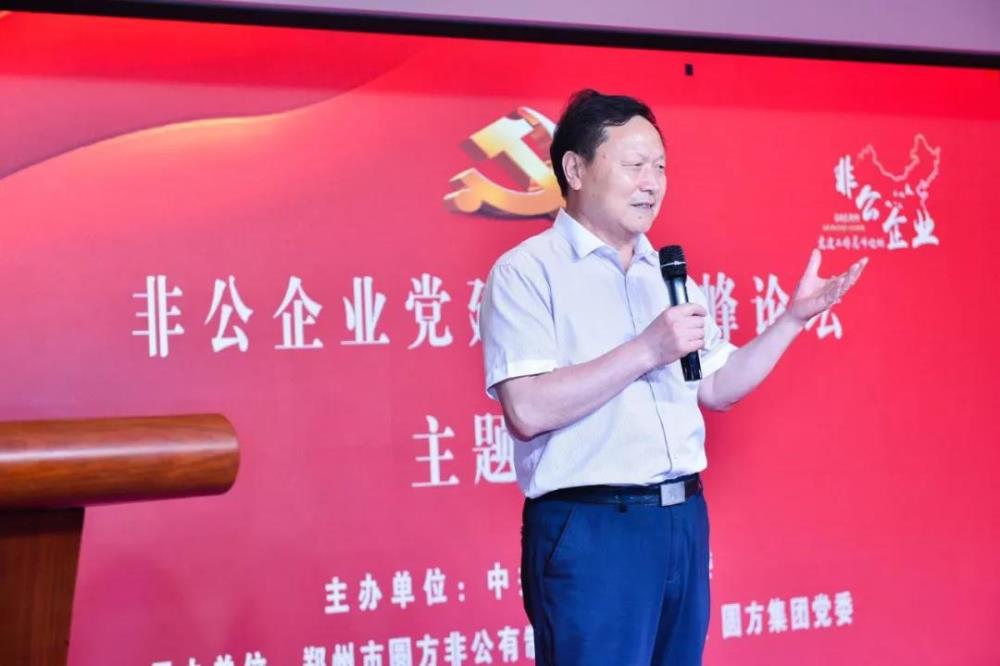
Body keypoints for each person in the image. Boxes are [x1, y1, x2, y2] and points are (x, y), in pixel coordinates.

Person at [479, 89, 867, 665]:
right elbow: (528, 410)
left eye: (660, 167)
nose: (652, 184)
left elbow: (717, 386)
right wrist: (646, 349)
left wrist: (791, 320)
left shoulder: (665, 275)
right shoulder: (527, 273)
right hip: (592, 528)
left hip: (681, 520)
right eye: (634, 165)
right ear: (575, 170)